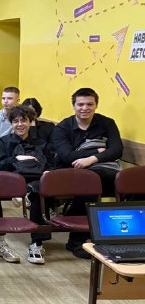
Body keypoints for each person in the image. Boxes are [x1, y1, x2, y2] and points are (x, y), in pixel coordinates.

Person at [51, 87, 123, 259]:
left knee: (131, 185)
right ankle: (77, 240)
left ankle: (126, 238)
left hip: (103, 173)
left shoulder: (107, 123)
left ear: (96, 105)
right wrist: (97, 151)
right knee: (89, 184)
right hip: (70, 174)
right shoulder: (62, 127)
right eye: (80, 104)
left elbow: (117, 150)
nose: (85, 108)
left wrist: (92, 159)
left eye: (90, 104)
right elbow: (67, 156)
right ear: (74, 106)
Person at [0, 106, 54, 264]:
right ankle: (24, 192)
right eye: (15, 121)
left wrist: (49, 171)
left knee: (40, 192)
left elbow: (51, 164)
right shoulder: (3, 142)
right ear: (11, 123)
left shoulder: (41, 143)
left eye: (23, 120)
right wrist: (15, 159)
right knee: (37, 190)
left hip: (37, 180)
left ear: (31, 122)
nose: (19, 124)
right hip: (11, 179)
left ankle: (37, 244)